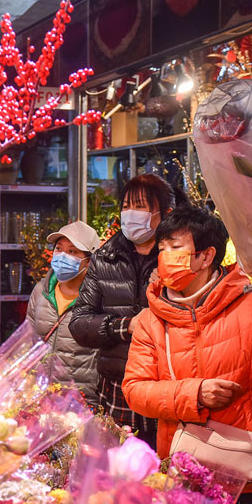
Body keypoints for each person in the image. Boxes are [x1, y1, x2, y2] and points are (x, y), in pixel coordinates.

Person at [122, 205, 252, 504]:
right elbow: (135, 390)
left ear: (206, 256)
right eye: (161, 249)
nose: (165, 257)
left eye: (176, 248)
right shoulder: (151, 320)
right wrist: (195, 393)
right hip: (185, 471)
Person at [69, 174, 186, 448]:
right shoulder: (104, 259)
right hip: (119, 390)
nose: (130, 214)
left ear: (165, 213)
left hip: (168, 388)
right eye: (125, 206)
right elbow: (79, 323)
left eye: (140, 207)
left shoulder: (179, 258)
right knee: (120, 476)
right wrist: (125, 326)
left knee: (169, 474)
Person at [25, 221, 102, 406]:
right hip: (40, 399)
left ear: (89, 260)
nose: (62, 256)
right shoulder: (40, 292)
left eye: (73, 251)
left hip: (81, 402)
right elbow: (28, 342)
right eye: (59, 249)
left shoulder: (99, 299)